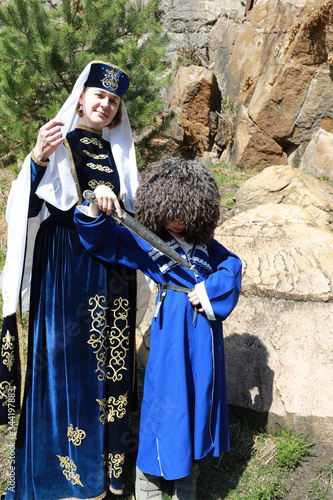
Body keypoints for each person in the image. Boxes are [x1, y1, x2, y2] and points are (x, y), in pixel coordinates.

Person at [0, 61, 144, 498]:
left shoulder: (119, 156)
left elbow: (133, 215)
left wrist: (116, 202)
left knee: (109, 368)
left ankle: (107, 476)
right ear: (81, 97)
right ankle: (56, 475)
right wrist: (38, 159)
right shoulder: (57, 142)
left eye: (113, 101)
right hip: (67, 268)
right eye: (99, 96)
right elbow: (26, 210)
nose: (105, 104)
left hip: (113, 276)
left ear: (118, 111)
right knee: (64, 364)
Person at [74, 156, 242, 500]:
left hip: (206, 336)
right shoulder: (146, 240)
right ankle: (149, 479)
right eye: (170, 212)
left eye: (184, 212)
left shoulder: (207, 247)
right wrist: (97, 206)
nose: (177, 221)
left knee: (199, 396)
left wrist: (209, 291)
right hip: (170, 335)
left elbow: (233, 265)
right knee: (166, 399)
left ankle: (187, 478)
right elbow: (105, 241)